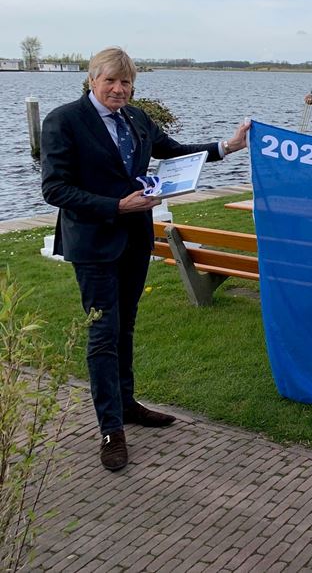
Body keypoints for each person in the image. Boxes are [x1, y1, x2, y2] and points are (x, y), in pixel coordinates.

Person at [40, 47, 251, 471]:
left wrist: (227, 146)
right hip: (95, 242)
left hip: (135, 239)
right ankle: (110, 428)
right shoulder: (63, 121)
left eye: (126, 83)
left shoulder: (136, 118)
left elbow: (173, 151)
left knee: (126, 327)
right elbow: (55, 189)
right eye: (111, 81)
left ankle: (128, 404)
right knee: (103, 334)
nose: (119, 89)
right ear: (92, 80)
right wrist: (116, 206)